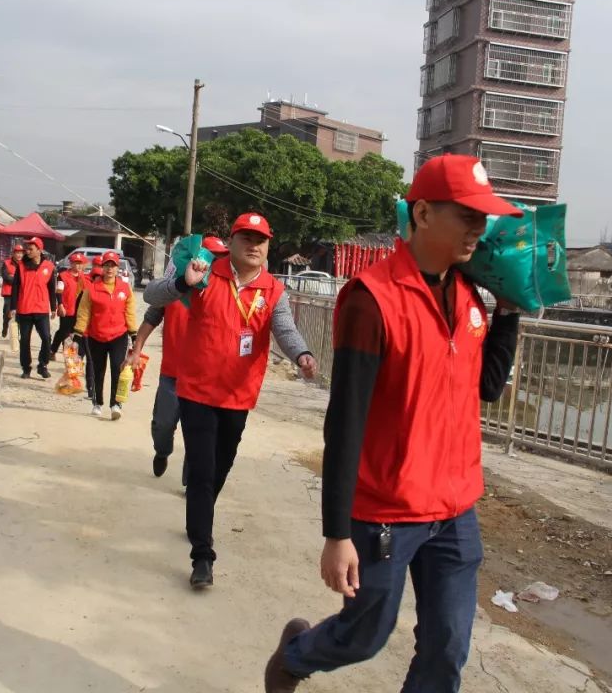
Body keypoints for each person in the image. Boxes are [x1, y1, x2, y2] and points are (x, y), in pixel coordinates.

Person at [262, 154, 523, 693]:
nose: (480, 228)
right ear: (423, 213)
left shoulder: (470, 296)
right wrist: (337, 534)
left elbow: (488, 388)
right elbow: (346, 421)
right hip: (386, 508)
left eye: (484, 217)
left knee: (448, 646)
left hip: (454, 508)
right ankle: (293, 657)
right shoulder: (372, 299)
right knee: (365, 636)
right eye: (467, 215)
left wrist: (511, 311)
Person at [145, 213, 318, 590]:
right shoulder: (204, 271)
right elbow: (152, 296)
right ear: (233, 240)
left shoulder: (272, 290)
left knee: (220, 468)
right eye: (247, 238)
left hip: (238, 396)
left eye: (261, 239)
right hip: (196, 392)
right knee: (203, 471)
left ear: (268, 245)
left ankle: (199, 514)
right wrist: (181, 282)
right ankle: (202, 555)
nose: (254, 245)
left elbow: (285, 329)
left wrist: (302, 354)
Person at [126, 235, 229, 481]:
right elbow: (151, 316)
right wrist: (137, 349)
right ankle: (162, 451)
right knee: (163, 426)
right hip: (172, 374)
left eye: (220, 259)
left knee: (198, 433)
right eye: (210, 258)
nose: (213, 264)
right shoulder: (175, 288)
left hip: (205, 378)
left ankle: (191, 479)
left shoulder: (223, 295)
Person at [74, 251, 137, 420]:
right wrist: (78, 334)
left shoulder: (125, 288)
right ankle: (97, 402)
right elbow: (84, 312)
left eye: (113, 265)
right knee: (98, 370)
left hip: (119, 335)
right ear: (102, 268)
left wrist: (134, 334)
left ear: (118, 268)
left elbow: (129, 312)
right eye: (107, 265)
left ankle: (116, 404)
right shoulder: (92, 289)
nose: (110, 269)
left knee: (118, 368)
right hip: (96, 336)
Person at [10, 236, 56, 380]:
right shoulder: (21, 266)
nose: (27, 251)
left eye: (31, 249)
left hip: (42, 309)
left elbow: (52, 288)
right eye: (27, 249)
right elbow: (15, 287)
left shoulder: (49, 266)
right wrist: (13, 307)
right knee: (25, 340)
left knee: (47, 338)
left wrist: (54, 307)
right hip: (24, 309)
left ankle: (42, 365)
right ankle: (26, 368)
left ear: (39, 250)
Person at [51, 252, 89, 358]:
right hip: (66, 309)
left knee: (70, 332)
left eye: (80, 263)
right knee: (65, 332)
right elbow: (59, 292)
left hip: (79, 311)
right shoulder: (62, 276)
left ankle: (54, 350)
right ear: (71, 264)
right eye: (76, 263)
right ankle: (65, 355)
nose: (78, 266)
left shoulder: (84, 277)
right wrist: (60, 305)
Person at [0, 244, 24, 340]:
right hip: (8, 292)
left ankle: (16, 334)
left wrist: (13, 277)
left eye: (21, 253)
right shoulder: (6, 263)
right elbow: (6, 277)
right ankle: (5, 326)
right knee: (7, 312)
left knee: (19, 314)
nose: (19, 255)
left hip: (20, 293)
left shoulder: (24, 265)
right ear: (13, 253)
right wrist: (17, 280)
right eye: (17, 253)